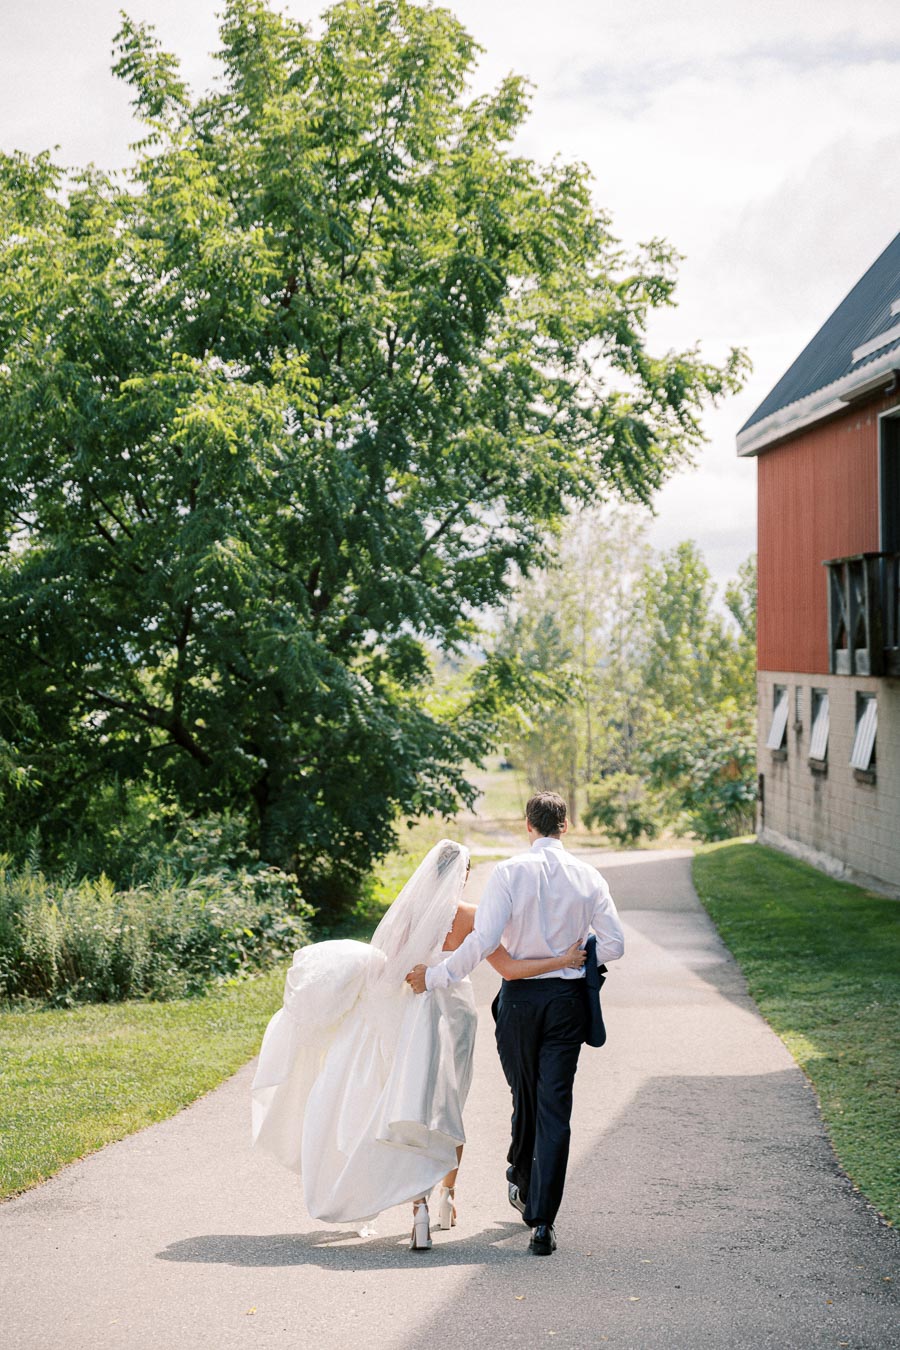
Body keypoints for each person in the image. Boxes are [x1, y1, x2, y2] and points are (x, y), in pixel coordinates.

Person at [250, 838, 586, 1251]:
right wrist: (562, 961)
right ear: (463, 876)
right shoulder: (475, 917)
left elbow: (385, 972)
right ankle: (447, 1196)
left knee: (414, 1102)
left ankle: (420, 1209)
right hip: (457, 1013)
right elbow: (511, 969)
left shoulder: (405, 915)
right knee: (449, 1102)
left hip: (414, 1015)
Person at [406, 793, 624, 1256]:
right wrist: (576, 957)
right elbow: (615, 945)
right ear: (564, 826)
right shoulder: (589, 877)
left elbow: (484, 941)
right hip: (567, 1001)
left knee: (525, 1095)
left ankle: (524, 1181)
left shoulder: (508, 873)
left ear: (529, 825)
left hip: (521, 1003)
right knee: (553, 1107)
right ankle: (540, 1217)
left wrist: (436, 976)